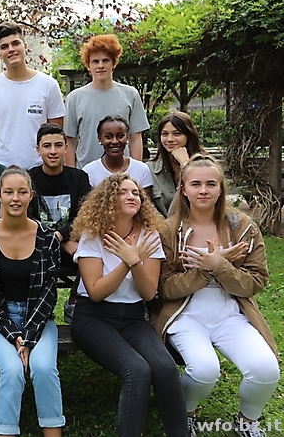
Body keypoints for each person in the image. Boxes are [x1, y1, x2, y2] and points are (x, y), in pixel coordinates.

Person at [151, 155, 280, 436]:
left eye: (211, 184)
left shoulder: (242, 227)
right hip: (185, 315)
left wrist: (219, 265)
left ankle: (247, 420)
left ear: (221, 189)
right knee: (204, 371)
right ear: (183, 189)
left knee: (266, 370)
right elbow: (164, 288)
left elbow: (255, 281)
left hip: (230, 313)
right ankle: (184, 411)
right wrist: (208, 269)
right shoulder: (167, 230)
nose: (203, 190)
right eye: (195, 184)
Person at [70, 173, 187, 437]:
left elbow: (148, 293)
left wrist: (135, 261)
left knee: (166, 368)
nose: (131, 196)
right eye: (123, 192)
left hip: (133, 318)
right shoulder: (93, 236)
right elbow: (95, 291)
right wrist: (127, 261)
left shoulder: (149, 236)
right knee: (137, 370)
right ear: (109, 199)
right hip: (94, 318)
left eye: (135, 192)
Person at [0, 166, 65, 437]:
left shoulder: (47, 239)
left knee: (44, 368)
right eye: (9, 192)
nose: (15, 198)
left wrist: (29, 337)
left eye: (22, 192)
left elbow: (48, 295)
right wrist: (14, 336)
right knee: (12, 371)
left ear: (31, 196)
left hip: (37, 319)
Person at [0, 22, 66, 169]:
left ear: (25, 46)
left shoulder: (48, 85)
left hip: (41, 169)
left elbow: (56, 135)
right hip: (3, 169)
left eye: (15, 43)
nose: (11, 49)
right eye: (4, 47)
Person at [28, 123, 92, 323]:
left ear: (66, 147)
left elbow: (85, 216)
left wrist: (62, 235)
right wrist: (60, 239)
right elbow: (27, 217)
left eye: (58, 145)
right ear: (38, 150)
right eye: (47, 146)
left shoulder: (79, 178)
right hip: (39, 244)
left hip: (73, 242)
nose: (53, 151)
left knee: (91, 250)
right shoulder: (29, 178)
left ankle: (74, 301)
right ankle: (40, 308)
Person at [64, 34, 150, 168]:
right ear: (88, 66)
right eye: (95, 61)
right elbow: (70, 141)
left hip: (122, 174)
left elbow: (135, 138)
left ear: (113, 63)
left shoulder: (130, 94)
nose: (100, 66)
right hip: (86, 172)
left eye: (105, 60)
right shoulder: (74, 98)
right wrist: (73, 175)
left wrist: (135, 170)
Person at [148, 111, 206, 216]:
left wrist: (185, 164)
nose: (170, 139)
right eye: (165, 134)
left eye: (177, 134)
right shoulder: (150, 169)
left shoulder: (206, 165)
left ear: (188, 136)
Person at [82, 115, 153, 197]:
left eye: (120, 136)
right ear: (99, 138)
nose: (115, 141)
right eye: (108, 137)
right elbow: (88, 203)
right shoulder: (89, 171)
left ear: (127, 137)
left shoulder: (142, 169)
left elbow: (146, 202)